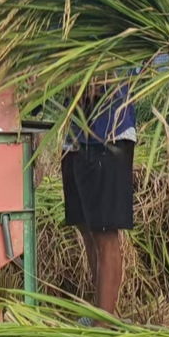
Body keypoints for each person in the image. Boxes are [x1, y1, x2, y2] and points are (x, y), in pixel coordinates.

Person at [61, 80, 136, 323]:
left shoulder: (116, 45)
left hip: (108, 135)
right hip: (76, 138)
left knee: (105, 233)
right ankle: (100, 313)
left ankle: (104, 326)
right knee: (87, 228)